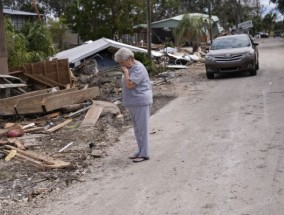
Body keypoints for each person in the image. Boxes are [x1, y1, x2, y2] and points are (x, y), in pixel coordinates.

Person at [114, 48, 153, 163]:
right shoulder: (131, 67)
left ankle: (145, 153)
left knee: (142, 129)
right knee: (137, 129)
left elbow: (130, 84)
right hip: (133, 103)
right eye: (120, 63)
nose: (121, 65)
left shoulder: (138, 68)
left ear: (130, 59)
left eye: (122, 62)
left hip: (141, 102)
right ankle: (140, 150)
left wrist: (126, 72)